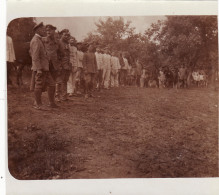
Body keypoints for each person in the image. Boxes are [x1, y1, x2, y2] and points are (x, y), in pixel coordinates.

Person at [29, 22, 57, 110]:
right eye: (42, 29)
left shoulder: (39, 39)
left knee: (52, 84)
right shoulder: (36, 40)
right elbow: (35, 56)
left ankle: (51, 103)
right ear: (37, 30)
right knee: (39, 85)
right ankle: (37, 104)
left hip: (45, 68)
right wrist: (39, 69)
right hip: (40, 68)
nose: (44, 30)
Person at [42, 24, 62, 102]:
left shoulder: (57, 42)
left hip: (54, 65)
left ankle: (52, 101)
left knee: (52, 83)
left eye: (50, 30)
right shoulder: (42, 40)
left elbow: (62, 53)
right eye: (47, 30)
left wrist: (59, 63)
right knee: (41, 83)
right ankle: (37, 102)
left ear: (54, 31)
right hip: (45, 65)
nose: (48, 32)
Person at [58, 29, 71, 101]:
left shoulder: (67, 44)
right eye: (65, 35)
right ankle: (57, 96)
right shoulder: (59, 43)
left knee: (65, 81)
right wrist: (59, 65)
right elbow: (57, 55)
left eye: (67, 35)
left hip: (67, 65)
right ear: (61, 35)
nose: (66, 36)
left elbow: (68, 55)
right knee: (59, 81)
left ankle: (64, 96)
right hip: (61, 65)